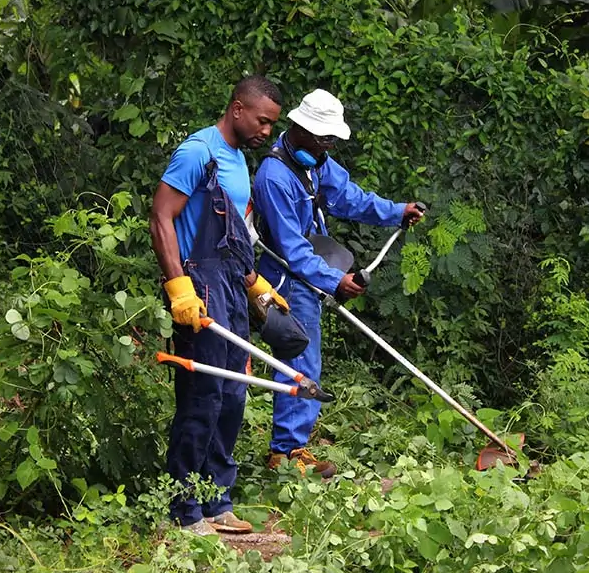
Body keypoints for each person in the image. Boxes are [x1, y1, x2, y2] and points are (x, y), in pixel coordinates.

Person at [252, 89, 424, 478]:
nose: (330, 145)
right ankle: (288, 453)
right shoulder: (274, 177)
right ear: (302, 129)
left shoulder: (316, 163)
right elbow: (292, 248)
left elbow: (349, 198)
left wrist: (397, 212)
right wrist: (336, 282)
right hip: (288, 277)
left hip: (312, 270)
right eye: (325, 137)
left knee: (306, 358)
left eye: (332, 139)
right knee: (299, 359)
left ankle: (292, 447)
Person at [150, 75, 288, 535]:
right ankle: (183, 508)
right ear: (236, 109)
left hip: (229, 286)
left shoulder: (236, 162)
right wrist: (178, 288)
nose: (267, 131)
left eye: (272, 124)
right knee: (202, 395)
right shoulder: (198, 152)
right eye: (263, 121)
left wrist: (257, 286)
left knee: (233, 395)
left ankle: (216, 501)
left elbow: (234, 236)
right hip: (199, 288)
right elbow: (161, 218)